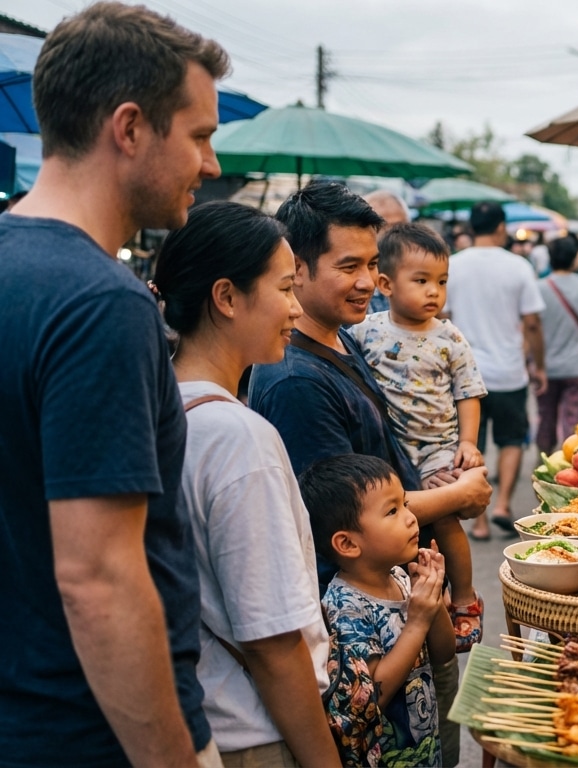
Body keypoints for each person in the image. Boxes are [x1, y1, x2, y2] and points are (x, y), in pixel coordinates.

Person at [0, 4, 226, 764]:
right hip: (89, 737)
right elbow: (97, 576)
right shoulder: (103, 303)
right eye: (199, 136)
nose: (212, 165)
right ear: (130, 129)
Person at [247, 181, 488, 765]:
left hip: (408, 599)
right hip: (371, 630)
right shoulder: (297, 382)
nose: (366, 282)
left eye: (372, 265)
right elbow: (336, 515)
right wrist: (457, 496)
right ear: (296, 269)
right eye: (347, 266)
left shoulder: (345, 341)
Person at [153, 202, 339, 766]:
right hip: (253, 733)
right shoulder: (238, 438)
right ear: (227, 297)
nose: (295, 306)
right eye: (285, 288)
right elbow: (274, 642)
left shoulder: (158, 409)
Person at [350, 222, 487, 649]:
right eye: (422, 281)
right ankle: (420, 603)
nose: (434, 292)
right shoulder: (364, 332)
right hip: (390, 448)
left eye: (441, 282)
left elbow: (468, 393)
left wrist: (467, 443)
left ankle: (464, 599)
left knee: (442, 517)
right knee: (404, 529)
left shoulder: (449, 337)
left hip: (436, 449)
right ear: (386, 284)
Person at [302, 455, 455, 767]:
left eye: (406, 504)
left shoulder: (399, 577)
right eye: (392, 511)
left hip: (425, 749)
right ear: (347, 543)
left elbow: (443, 654)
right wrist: (418, 620)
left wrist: (432, 598)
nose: (411, 518)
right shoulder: (345, 608)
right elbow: (373, 698)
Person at [448, 201, 547, 539]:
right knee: (511, 440)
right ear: (501, 228)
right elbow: (532, 323)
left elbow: (441, 317)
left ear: (471, 227)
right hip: (508, 371)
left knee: (470, 442)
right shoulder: (518, 266)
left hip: (462, 373)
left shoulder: (453, 266)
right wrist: (539, 365)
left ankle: (478, 521)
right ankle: (502, 503)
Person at [536, 236, 578, 456]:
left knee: (545, 416)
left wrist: (530, 362)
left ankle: (544, 461)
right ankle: (572, 462)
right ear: (575, 258)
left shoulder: (538, 288)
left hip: (546, 366)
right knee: (574, 419)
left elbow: (529, 328)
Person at [363, 189, 410, 315]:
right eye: (382, 226)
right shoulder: (358, 280)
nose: (390, 233)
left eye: (398, 227)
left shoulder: (419, 272)